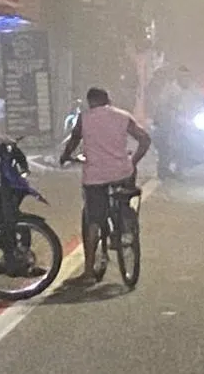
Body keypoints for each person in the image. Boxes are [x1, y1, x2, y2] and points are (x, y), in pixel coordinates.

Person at [59, 87, 151, 282]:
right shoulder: (123, 116)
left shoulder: (85, 118)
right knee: (124, 196)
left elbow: (74, 139)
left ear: (90, 102)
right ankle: (125, 225)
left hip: (95, 177)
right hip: (122, 174)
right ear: (108, 100)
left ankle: (89, 272)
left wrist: (65, 156)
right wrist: (132, 161)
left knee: (92, 220)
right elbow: (144, 139)